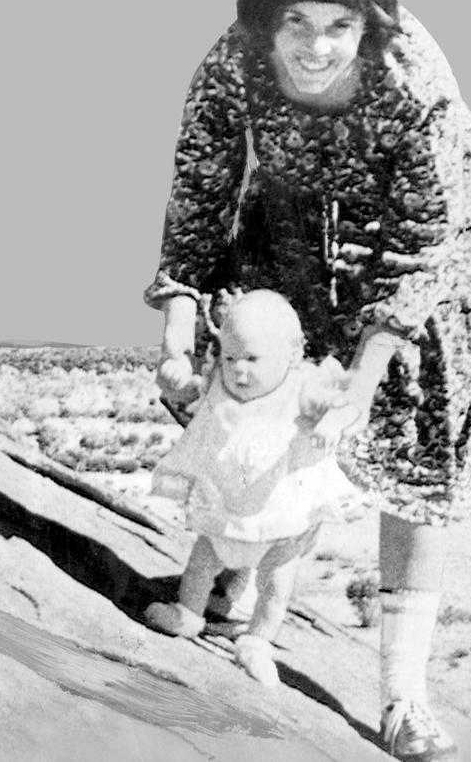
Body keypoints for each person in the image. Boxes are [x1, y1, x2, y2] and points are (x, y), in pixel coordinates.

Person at [144, 0, 471, 761]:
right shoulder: (231, 64)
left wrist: (362, 376)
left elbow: (418, 250)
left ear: (369, 24)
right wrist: (177, 332)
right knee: (247, 364)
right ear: (264, 19)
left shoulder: (414, 87)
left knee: (416, 438)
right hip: (293, 211)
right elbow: (198, 203)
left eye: (340, 25)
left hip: (441, 240)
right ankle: (237, 575)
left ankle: (403, 696)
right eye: (296, 24)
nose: (316, 46)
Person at [143, 290, 364, 687]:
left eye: (252, 360)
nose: (239, 371)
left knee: (276, 584)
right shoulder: (219, 383)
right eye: (230, 357)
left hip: (278, 514)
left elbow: (348, 403)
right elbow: (190, 397)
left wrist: (333, 421)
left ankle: (258, 641)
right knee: (203, 562)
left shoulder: (303, 387)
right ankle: (188, 614)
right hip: (227, 506)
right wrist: (175, 379)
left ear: (291, 357)